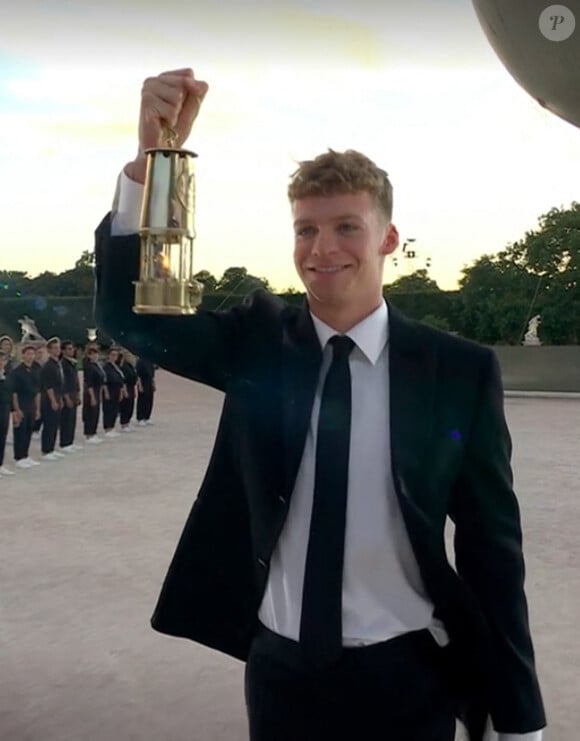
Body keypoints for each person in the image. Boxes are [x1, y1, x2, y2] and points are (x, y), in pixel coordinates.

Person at [94, 69, 546, 741]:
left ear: (388, 237)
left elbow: (491, 549)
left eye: (346, 227)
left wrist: (519, 719)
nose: (323, 248)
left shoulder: (456, 371)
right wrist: (153, 162)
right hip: (282, 674)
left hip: (410, 675)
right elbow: (138, 320)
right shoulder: (256, 342)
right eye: (306, 229)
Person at [10, 344, 41, 468]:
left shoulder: (35, 370)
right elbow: (14, 392)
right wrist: (17, 409)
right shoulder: (17, 372)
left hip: (31, 403)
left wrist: (38, 408)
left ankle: (25, 455)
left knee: (29, 429)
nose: (30, 357)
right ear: (23, 355)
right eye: (28, 354)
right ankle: (19, 457)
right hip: (21, 402)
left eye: (32, 354)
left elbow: (37, 391)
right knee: (20, 431)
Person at [39, 337, 64, 461]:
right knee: (49, 424)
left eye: (58, 348)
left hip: (58, 396)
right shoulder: (48, 366)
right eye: (54, 348)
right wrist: (53, 400)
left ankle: (51, 448)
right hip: (49, 399)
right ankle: (46, 450)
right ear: (49, 350)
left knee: (54, 424)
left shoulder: (57, 364)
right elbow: (48, 385)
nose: (57, 350)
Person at [59, 340, 82, 453]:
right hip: (67, 394)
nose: (71, 351)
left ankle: (70, 441)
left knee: (72, 419)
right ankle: (64, 443)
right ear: (63, 351)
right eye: (68, 348)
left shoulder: (72, 363)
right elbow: (64, 382)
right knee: (66, 419)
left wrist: (77, 393)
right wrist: (66, 397)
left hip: (73, 393)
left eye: (72, 348)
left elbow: (75, 380)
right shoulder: (63, 364)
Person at [82, 345, 105, 444]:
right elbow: (89, 383)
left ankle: (93, 432)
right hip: (91, 392)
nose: (95, 356)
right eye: (92, 354)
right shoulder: (89, 367)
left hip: (97, 390)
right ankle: (89, 434)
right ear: (88, 356)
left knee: (95, 413)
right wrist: (92, 397)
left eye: (96, 354)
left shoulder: (96, 365)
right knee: (90, 413)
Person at [102, 347, 125, 438]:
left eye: (116, 355)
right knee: (108, 409)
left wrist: (121, 391)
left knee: (115, 409)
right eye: (112, 355)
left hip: (116, 390)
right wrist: (106, 392)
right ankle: (107, 428)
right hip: (109, 389)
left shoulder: (116, 366)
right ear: (108, 356)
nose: (114, 357)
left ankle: (112, 426)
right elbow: (104, 381)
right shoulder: (106, 367)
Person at [0, 350, 14, 476]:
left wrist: (14, 409)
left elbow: (11, 392)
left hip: (5, 408)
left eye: (3, 360)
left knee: (2, 436)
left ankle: (0, 464)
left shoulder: (7, 375)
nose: (1, 362)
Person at [118, 349, 138, 431]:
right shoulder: (124, 367)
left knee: (130, 406)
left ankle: (127, 423)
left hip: (131, 387)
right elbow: (124, 380)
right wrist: (125, 391)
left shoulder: (131, 366)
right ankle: (124, 423)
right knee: (125, 406)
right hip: (127, 387)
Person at [31, 343, 47, 439]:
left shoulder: (41, 366)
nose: (40, 355)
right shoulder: (33, 367)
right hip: (34, 393)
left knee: (41, 411)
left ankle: (37, 429)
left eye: (41, 353)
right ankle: (33, 430)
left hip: (42, 392)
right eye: (38, 353)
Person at [135, 356, 156, 426]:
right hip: (142, 382)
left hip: (149, 382)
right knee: (142, 400)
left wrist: (153, 383)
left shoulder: (150, 361)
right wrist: (139, 385)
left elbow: (152, 374)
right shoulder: (140, 361)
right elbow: (138, 375)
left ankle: (147, 417)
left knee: (149, 399)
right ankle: (140, 418)